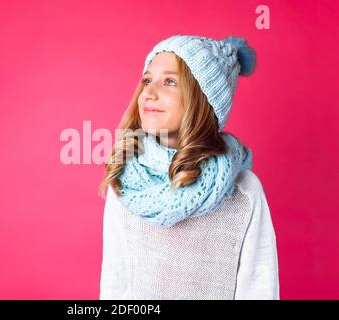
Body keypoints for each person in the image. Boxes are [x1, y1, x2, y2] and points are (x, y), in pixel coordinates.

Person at [97, 35, 279, 300]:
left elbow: (259, 288)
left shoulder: (243, 191)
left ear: (203, 100)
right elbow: (115, 283)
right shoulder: (125, 181)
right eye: (147, 80)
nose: (148, 92)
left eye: (169, 81)